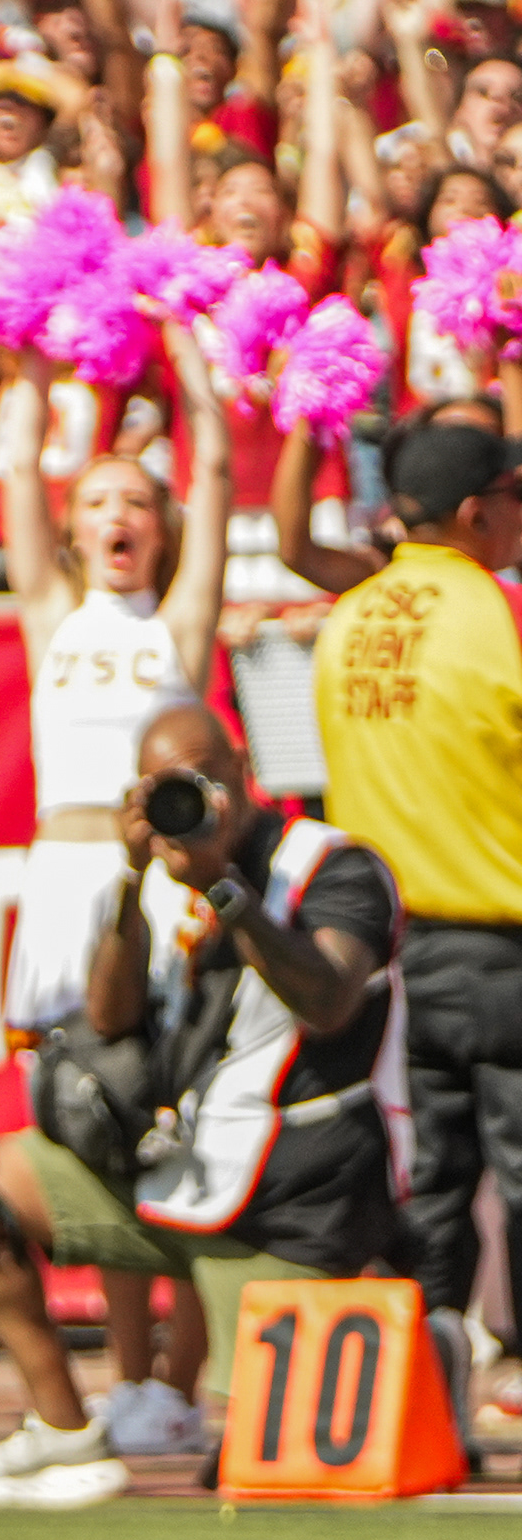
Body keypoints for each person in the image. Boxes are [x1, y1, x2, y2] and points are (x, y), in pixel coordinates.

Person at [0, 708, 408, 1511]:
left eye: (205, 777)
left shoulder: (335, 866)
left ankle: (255, 1382)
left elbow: (329, 1002)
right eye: (168, 787)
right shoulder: (157, 875)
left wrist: (225, 889)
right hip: (181, 1180)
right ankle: (65, 1431)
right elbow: (109, 1019)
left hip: (295, 1203)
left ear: (243, 766)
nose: (194, 800)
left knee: (253, 1475)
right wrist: (129, 877)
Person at [0, 342, 235, 1461]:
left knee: (171, 1117)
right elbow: (15, 465)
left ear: (159, 525)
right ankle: (128, 1374)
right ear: (73, 525)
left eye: (136, 499)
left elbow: (215, 474)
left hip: (155, 888)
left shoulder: (174, 626)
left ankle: (177, 1379)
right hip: (61, 887)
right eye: (96, 501)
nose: (116, 515)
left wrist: (186, 358)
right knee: (88, 1123)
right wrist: (32, 369)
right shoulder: (52, 614)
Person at [307, 420, 522, 1399]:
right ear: (477, 513)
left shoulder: (350, 619)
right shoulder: (501, 612)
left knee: (427, 1181)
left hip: (393, 956)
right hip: (503, 946)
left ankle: (428, 1393)